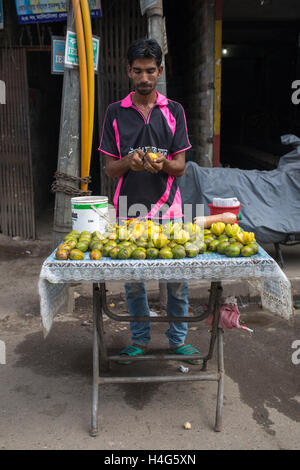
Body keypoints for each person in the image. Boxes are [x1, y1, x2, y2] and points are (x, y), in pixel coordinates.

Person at [98, 38, 202, 365]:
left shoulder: (175, 112)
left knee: (175, 279)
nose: (144, 77)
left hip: (168, 209)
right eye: (138, 71)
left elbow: (181, 167)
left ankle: (178, 340)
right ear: (129, 71)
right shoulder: (115, 113)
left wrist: (162, 164)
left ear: (159, 72)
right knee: (133, 282)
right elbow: (110, 169)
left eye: (151, 71)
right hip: (128, 209)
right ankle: (139, 340)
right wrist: (130, 162)